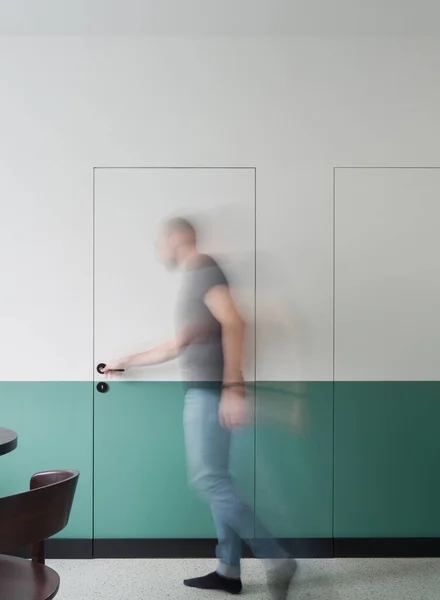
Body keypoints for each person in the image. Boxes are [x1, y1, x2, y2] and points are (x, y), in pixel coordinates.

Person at [103, 217, 298, 599]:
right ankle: (228, 570)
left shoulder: (205, 269)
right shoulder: (196, 278)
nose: (160, 250)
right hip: (206, 392)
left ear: (177, 239)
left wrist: (233, 385)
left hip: (211, 393)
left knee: (210, 480)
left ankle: (277, 558)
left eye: (162, 242)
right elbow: (178, 344)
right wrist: (127, 360)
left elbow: (235, 322)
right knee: (217, 480)